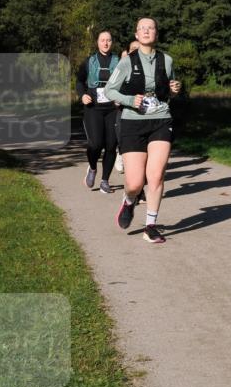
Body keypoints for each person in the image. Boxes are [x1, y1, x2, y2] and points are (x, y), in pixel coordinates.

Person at [104, 18, 181, 244]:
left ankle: (151, 226)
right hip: (132, 123)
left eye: (151, 28)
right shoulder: (127, 62)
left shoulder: (166, 60)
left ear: (156, 33)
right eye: (142, 28)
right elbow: (110, 90)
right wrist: (130, 99)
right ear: (137, 35)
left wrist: (174, 89)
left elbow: (169, 89)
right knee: (135, 184)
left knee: (156, 176)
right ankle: (129, 201)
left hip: (160, 120)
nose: (147, 31)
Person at [75, 31, 120, 194]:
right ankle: (93, 168)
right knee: (95, 144)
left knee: (110, 145)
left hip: (113, 109)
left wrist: (121, 98)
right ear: (98, 42)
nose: (106, 43)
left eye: (108, 40)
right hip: (93, 108)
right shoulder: (89, 61)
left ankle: (105, 181)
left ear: (112, 42)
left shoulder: (119, 61)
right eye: (103, 40)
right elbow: (79, 81)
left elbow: (126, 82)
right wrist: (83, 95)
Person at [114, 40, 140, 176]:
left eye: (138, 47)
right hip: (123, 108)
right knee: (121, 135)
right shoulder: (122, 68)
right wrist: (117, 98)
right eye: (133, 48)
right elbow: (112, 88)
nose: (136, 50)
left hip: (141, 110)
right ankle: (120, 152)